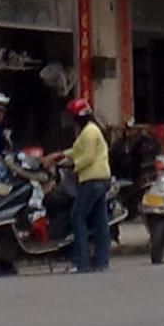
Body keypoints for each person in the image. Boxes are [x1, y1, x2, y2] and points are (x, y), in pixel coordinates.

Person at [46, 99, 111, 274]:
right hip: (101, 179)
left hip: (91, 180)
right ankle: (101, 261)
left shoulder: (89, 132)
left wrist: (72, 166)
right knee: (100, 221)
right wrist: (60, 155)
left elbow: (87, 157)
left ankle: (81, 261)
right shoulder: (90, 131)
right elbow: (77, 151)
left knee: (77, 218)